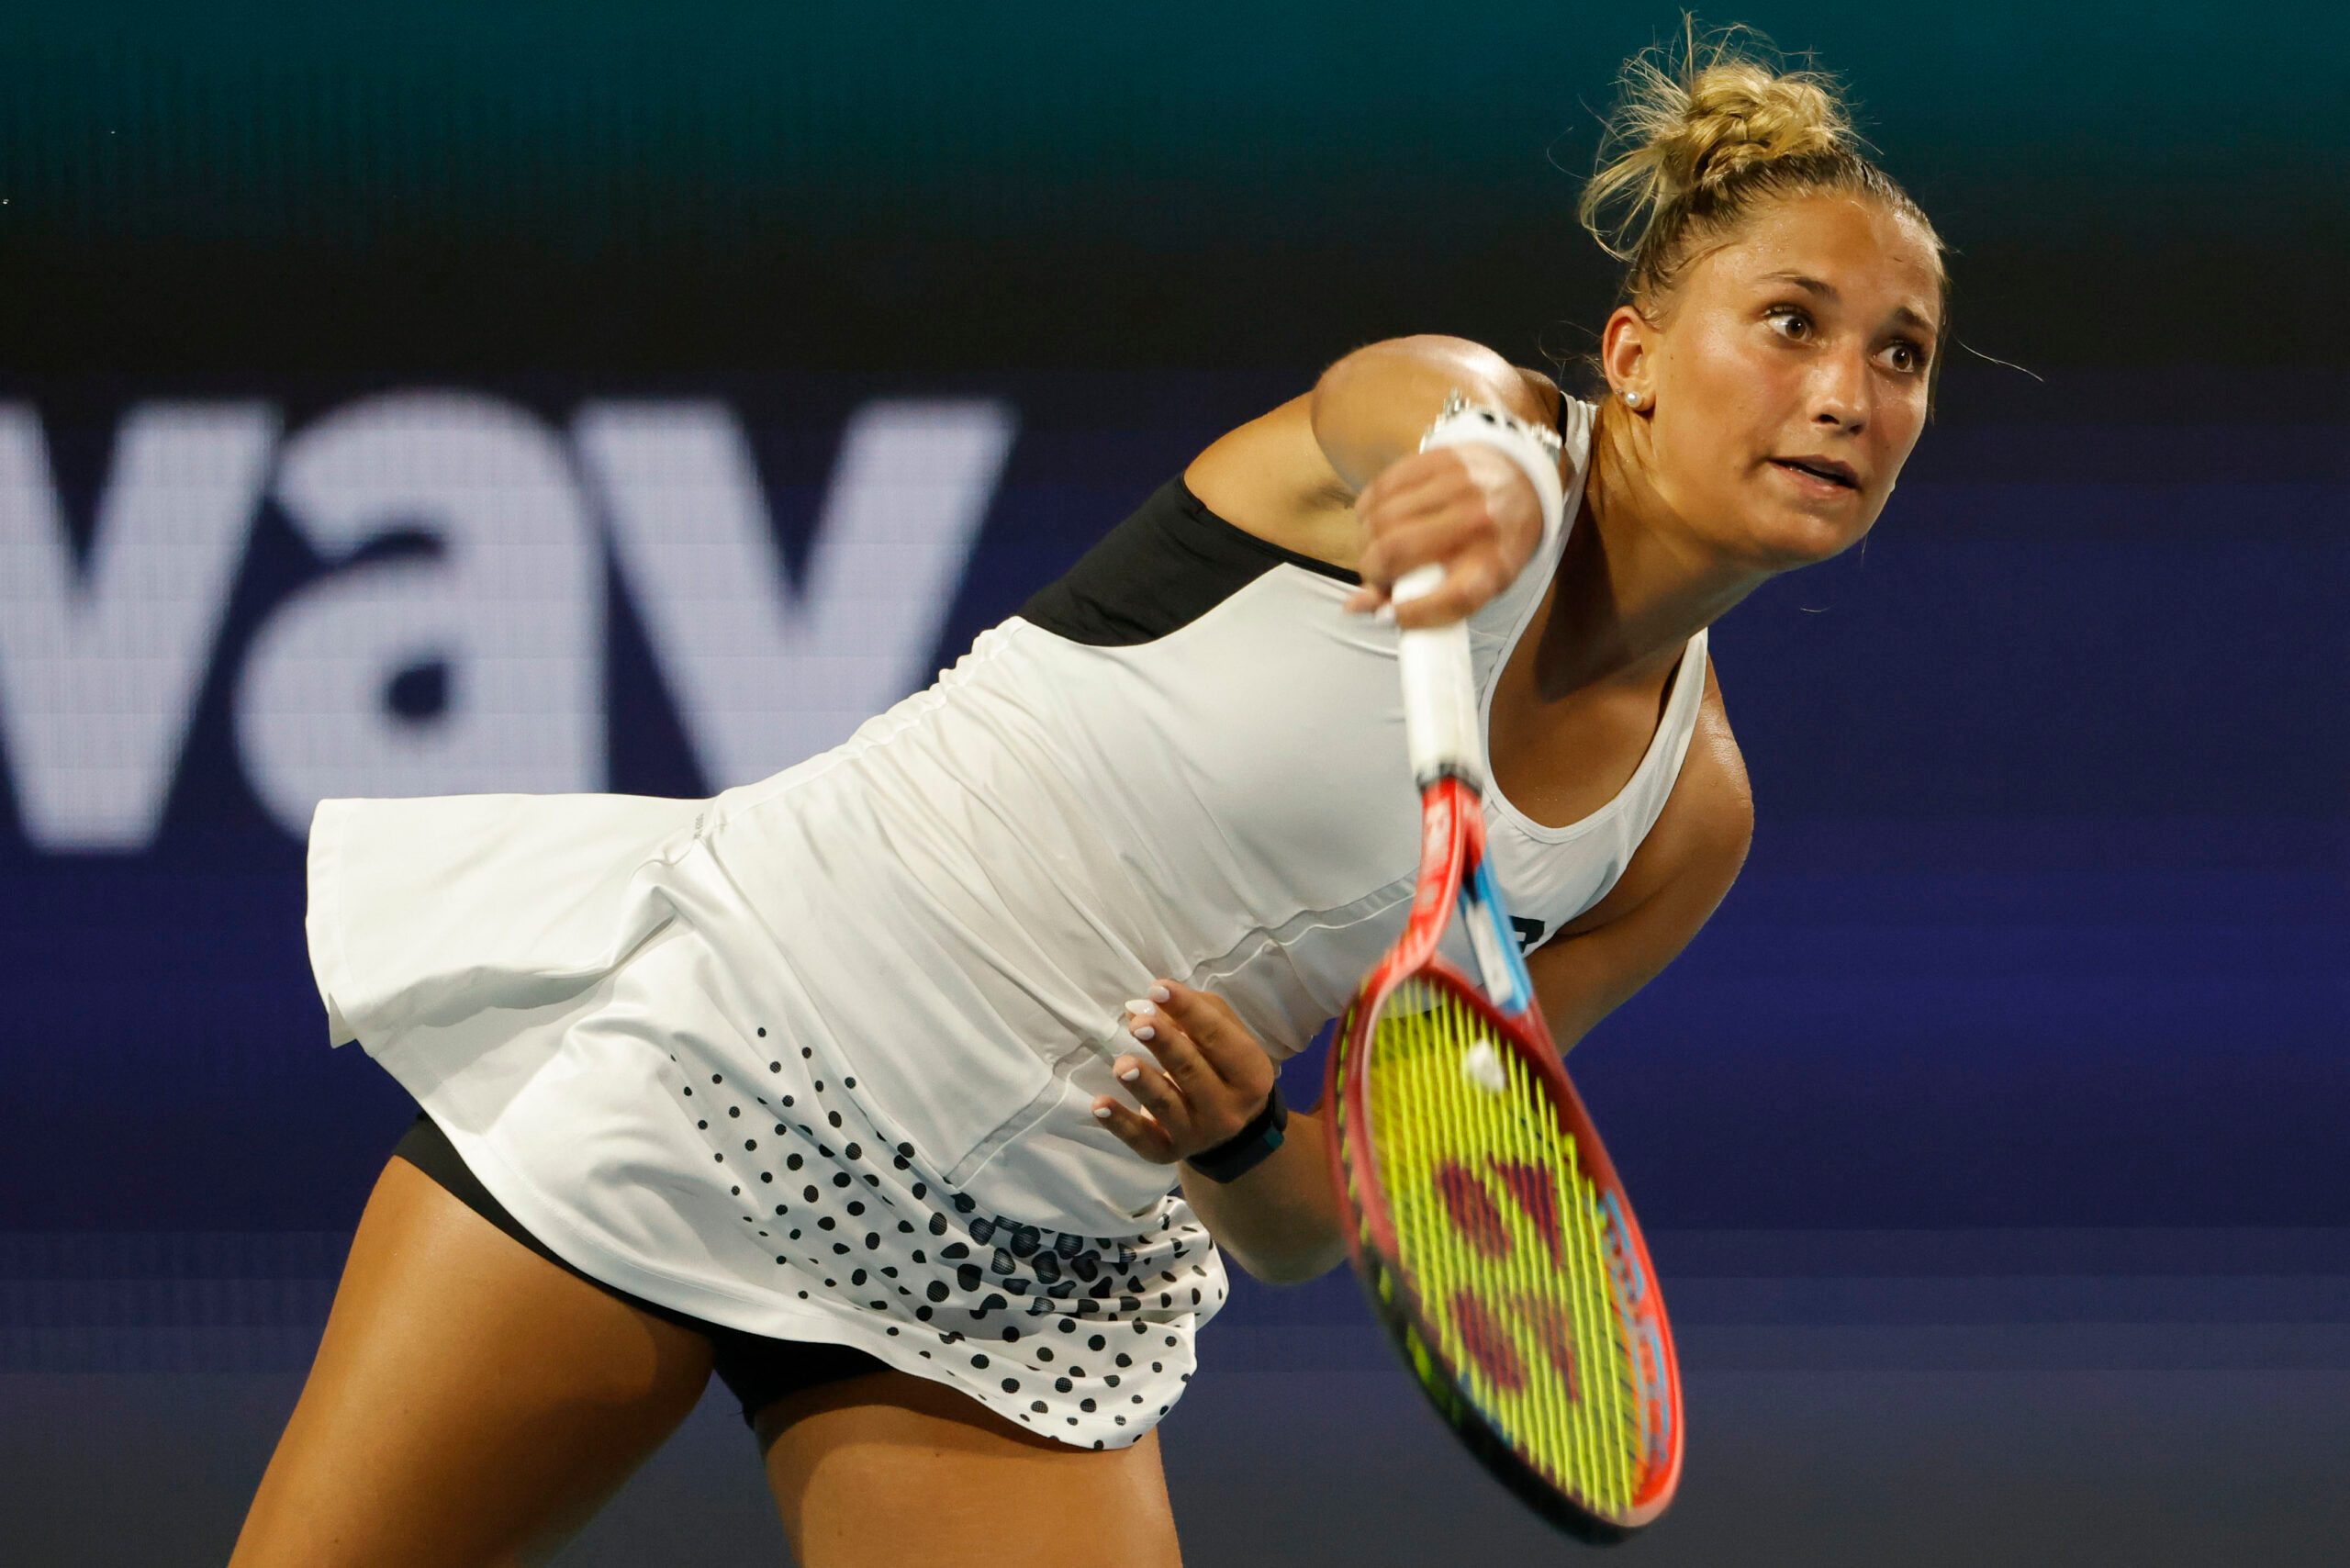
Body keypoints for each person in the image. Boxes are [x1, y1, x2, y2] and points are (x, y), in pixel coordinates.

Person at [229, 20, 1949, 1568]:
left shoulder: (1680, 820)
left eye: (1900, 356)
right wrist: (1476, 491)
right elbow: (1403, 414)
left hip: (1016, 1273)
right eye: (1791, 324)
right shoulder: (1471, 417)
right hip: (726, 1059)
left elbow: (1321, 1218)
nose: (1843, 393)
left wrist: (1236, 1137)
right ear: (1635, 352)